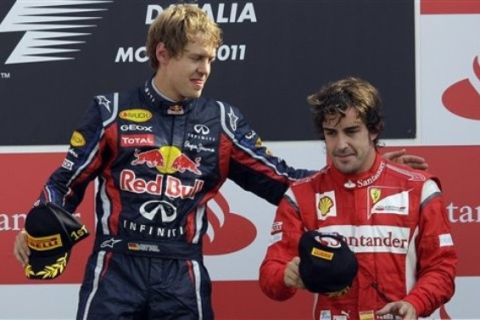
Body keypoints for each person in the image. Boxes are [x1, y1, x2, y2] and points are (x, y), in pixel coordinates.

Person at [13, 4, 428, 320]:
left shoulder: (222, 122)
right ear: (163, 53)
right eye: (196, 58)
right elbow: (66, 180)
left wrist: (363, 168)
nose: (205, 70)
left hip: (182, 275)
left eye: (210, 60)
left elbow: (283, 182)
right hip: (116, 267)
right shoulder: (110, 111)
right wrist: (38, 221)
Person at [259, 77, 457, 320]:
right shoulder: (301, 195)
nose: (341, 144)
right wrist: (285, 277)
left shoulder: (419, 189)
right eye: (331, 133)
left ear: (373, 130)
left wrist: (414, 304)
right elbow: (271, 273)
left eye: (351, 131)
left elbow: (442, 269)